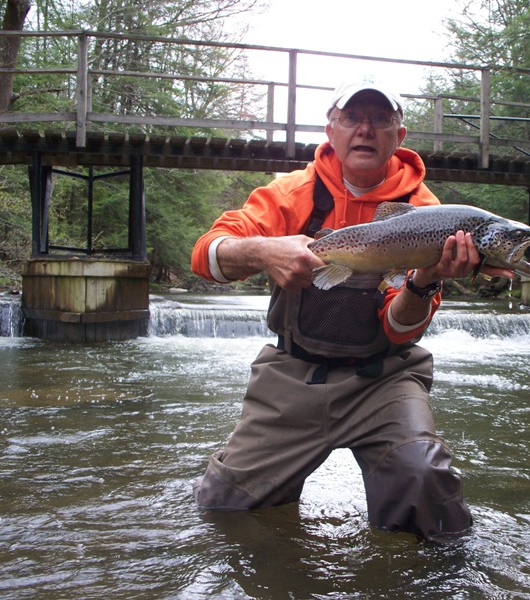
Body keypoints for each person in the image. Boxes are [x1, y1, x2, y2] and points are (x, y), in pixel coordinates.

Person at [190, 75, 510, 541]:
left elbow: (400, 331)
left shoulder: (430, 213)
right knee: (223, 506)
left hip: (385, 378)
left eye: (380, 119)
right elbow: (206, 255)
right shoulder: (291, 194)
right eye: (352, 118)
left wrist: (423, 281)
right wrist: (263, 251)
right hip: (292, 374)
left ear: (399, 136)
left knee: (426, 483)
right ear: (331, 129)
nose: (365, 129)